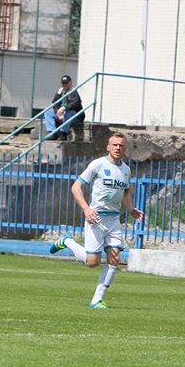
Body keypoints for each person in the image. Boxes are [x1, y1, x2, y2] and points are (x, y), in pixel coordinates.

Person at [49, 132, 144, 309]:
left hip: (113, 219)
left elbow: (125, 192)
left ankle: (97, 299)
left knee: (114, 258)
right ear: (108, 147)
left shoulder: (126, 170)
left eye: (121, 145)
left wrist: (131, 209)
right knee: (92, 262)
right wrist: (86, 208)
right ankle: (67, 241)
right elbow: (76, 186)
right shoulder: (98, 164)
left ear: (125, 148)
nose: (118, 148)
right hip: (96, 217)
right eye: (115, 145)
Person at [43, 75, 84, 141]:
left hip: (75, 116)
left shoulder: (73, 92)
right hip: (62, 115)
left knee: (69, 112)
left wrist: (64, 107)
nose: (65, 85)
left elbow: (76, 103)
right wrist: (58, 111)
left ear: (70, 83)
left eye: (66, 83)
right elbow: (55, 103)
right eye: (63, 83)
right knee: (48, 112)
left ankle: (63, 133)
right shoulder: (60, 92)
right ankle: (52, 132)